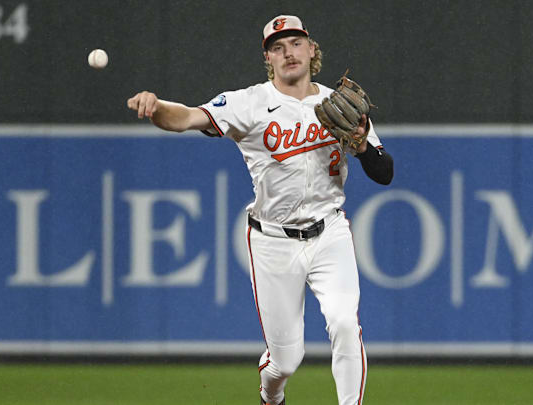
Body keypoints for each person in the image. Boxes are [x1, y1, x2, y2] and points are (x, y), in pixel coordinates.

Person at [126, 14, 393, 405]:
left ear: (312, 50)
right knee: (286, 361)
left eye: (296, 43)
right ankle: (272, 395)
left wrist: (363, 145)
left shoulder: (339, 106)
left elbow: (384, 173)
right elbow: (186, 117)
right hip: (273, 241)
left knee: (343, 323)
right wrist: (156, 106)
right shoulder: (249, 103)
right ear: (268, 58)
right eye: (278, 47)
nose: (289, 53)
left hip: (330, 231)